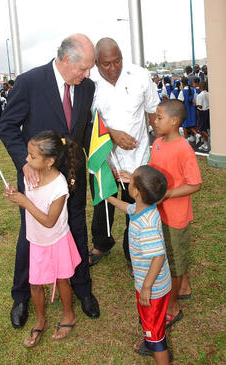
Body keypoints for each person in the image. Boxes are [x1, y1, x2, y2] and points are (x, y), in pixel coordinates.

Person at [0, 33, 100, 329]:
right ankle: (21, 297)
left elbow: (82, 127)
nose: (87, 74)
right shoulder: (30, 82)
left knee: (77, 228)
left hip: (72, 175)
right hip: (37, 180)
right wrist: (24, 163)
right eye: (83, 68)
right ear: (66, 59)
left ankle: (83, 289)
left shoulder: (87, 86)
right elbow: (7, 126)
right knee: (31, 237)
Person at [4, 130, 82, 347]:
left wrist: (24, 202)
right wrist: (15, 194)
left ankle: (69, 315)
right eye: (28, 155)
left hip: (56, 239)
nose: (27, 160)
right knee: (35, 283)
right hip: (36, 240)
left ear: (49, 161)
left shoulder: (59, 186)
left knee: (62, 279)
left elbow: (49, 221)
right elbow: (29, 200)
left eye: (32, 156)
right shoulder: (31, 174)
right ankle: (41, 320)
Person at [88, 37, 159, 271]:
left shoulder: (140, 76)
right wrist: (112, 134)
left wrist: (159, 151)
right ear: (97, 62)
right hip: (103, 160)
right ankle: (102, 244)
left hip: (137, 161)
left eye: (117, 61)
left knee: (135, 208)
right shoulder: (89, 82)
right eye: (106, 64)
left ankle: (133, 254)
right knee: (103, 205)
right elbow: (86, 123)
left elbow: (153, 114)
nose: (113, 68)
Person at [107, 165, 172, 365]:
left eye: (132, 180)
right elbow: (128, 208)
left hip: (152, 289)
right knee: (150, 323)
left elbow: (158, 257)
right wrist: (108, 198)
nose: (128, 180)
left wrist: (146, 287)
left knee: (156, 335)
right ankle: (149, 338)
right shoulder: (144, 207)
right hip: (151, 284)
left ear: (135, 192)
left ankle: (158, 352)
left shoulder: (147, 225)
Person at [149, 99, 201, 328]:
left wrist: (167, 194)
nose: (155, 121)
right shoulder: (158, 143)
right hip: (159, 214)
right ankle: (184, 288)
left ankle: (173, 308)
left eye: (159, 118)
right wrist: (135, 177)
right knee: (170, 256)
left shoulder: (183, 149)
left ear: (175, 121)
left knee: (173, 263)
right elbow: (153, 171)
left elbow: (194, 184)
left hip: (176, 218)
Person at [196, 81, 210, 151]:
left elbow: (200, 106)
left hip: (202, 112)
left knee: (201, 129)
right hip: (208, 111)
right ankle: (205, 144)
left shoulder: (199, 95)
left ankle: (210, 139)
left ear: (200, 87)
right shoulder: (208, 94)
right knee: (205, 129)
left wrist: (196, 105)